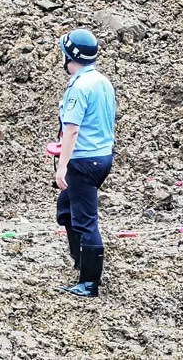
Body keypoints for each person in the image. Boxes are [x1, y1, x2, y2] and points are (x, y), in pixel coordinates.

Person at [53, 29, 116, 298]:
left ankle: (89, 283)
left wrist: (62, 166)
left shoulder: (79, 87)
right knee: (66, 209)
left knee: (85, 221)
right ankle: (80, 262)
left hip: (82, 160)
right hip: (101, 156)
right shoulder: (102, 81)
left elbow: (72, 130)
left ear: (70, 56)